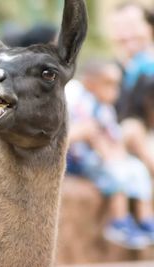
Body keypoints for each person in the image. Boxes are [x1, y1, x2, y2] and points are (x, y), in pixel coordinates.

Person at [66, 60, 154, 249]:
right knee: (116, 173)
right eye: (108, 83)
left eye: (117, 84)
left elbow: (113, 137)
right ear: (90, 82)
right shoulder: (78, 100)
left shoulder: (105, 108)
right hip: (81, 160)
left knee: (137, 169)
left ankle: (145, 219)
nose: (115, 90)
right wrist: (110, 156)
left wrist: (120, 156)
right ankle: (118, 221)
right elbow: (89, 135)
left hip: (104, 156)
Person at [109, 2, 154, 177]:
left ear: (150, 27)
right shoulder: (111, 70)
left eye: (131, 26)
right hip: (119, 147)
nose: (126, 34)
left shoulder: (149, 66)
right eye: (119, 27)